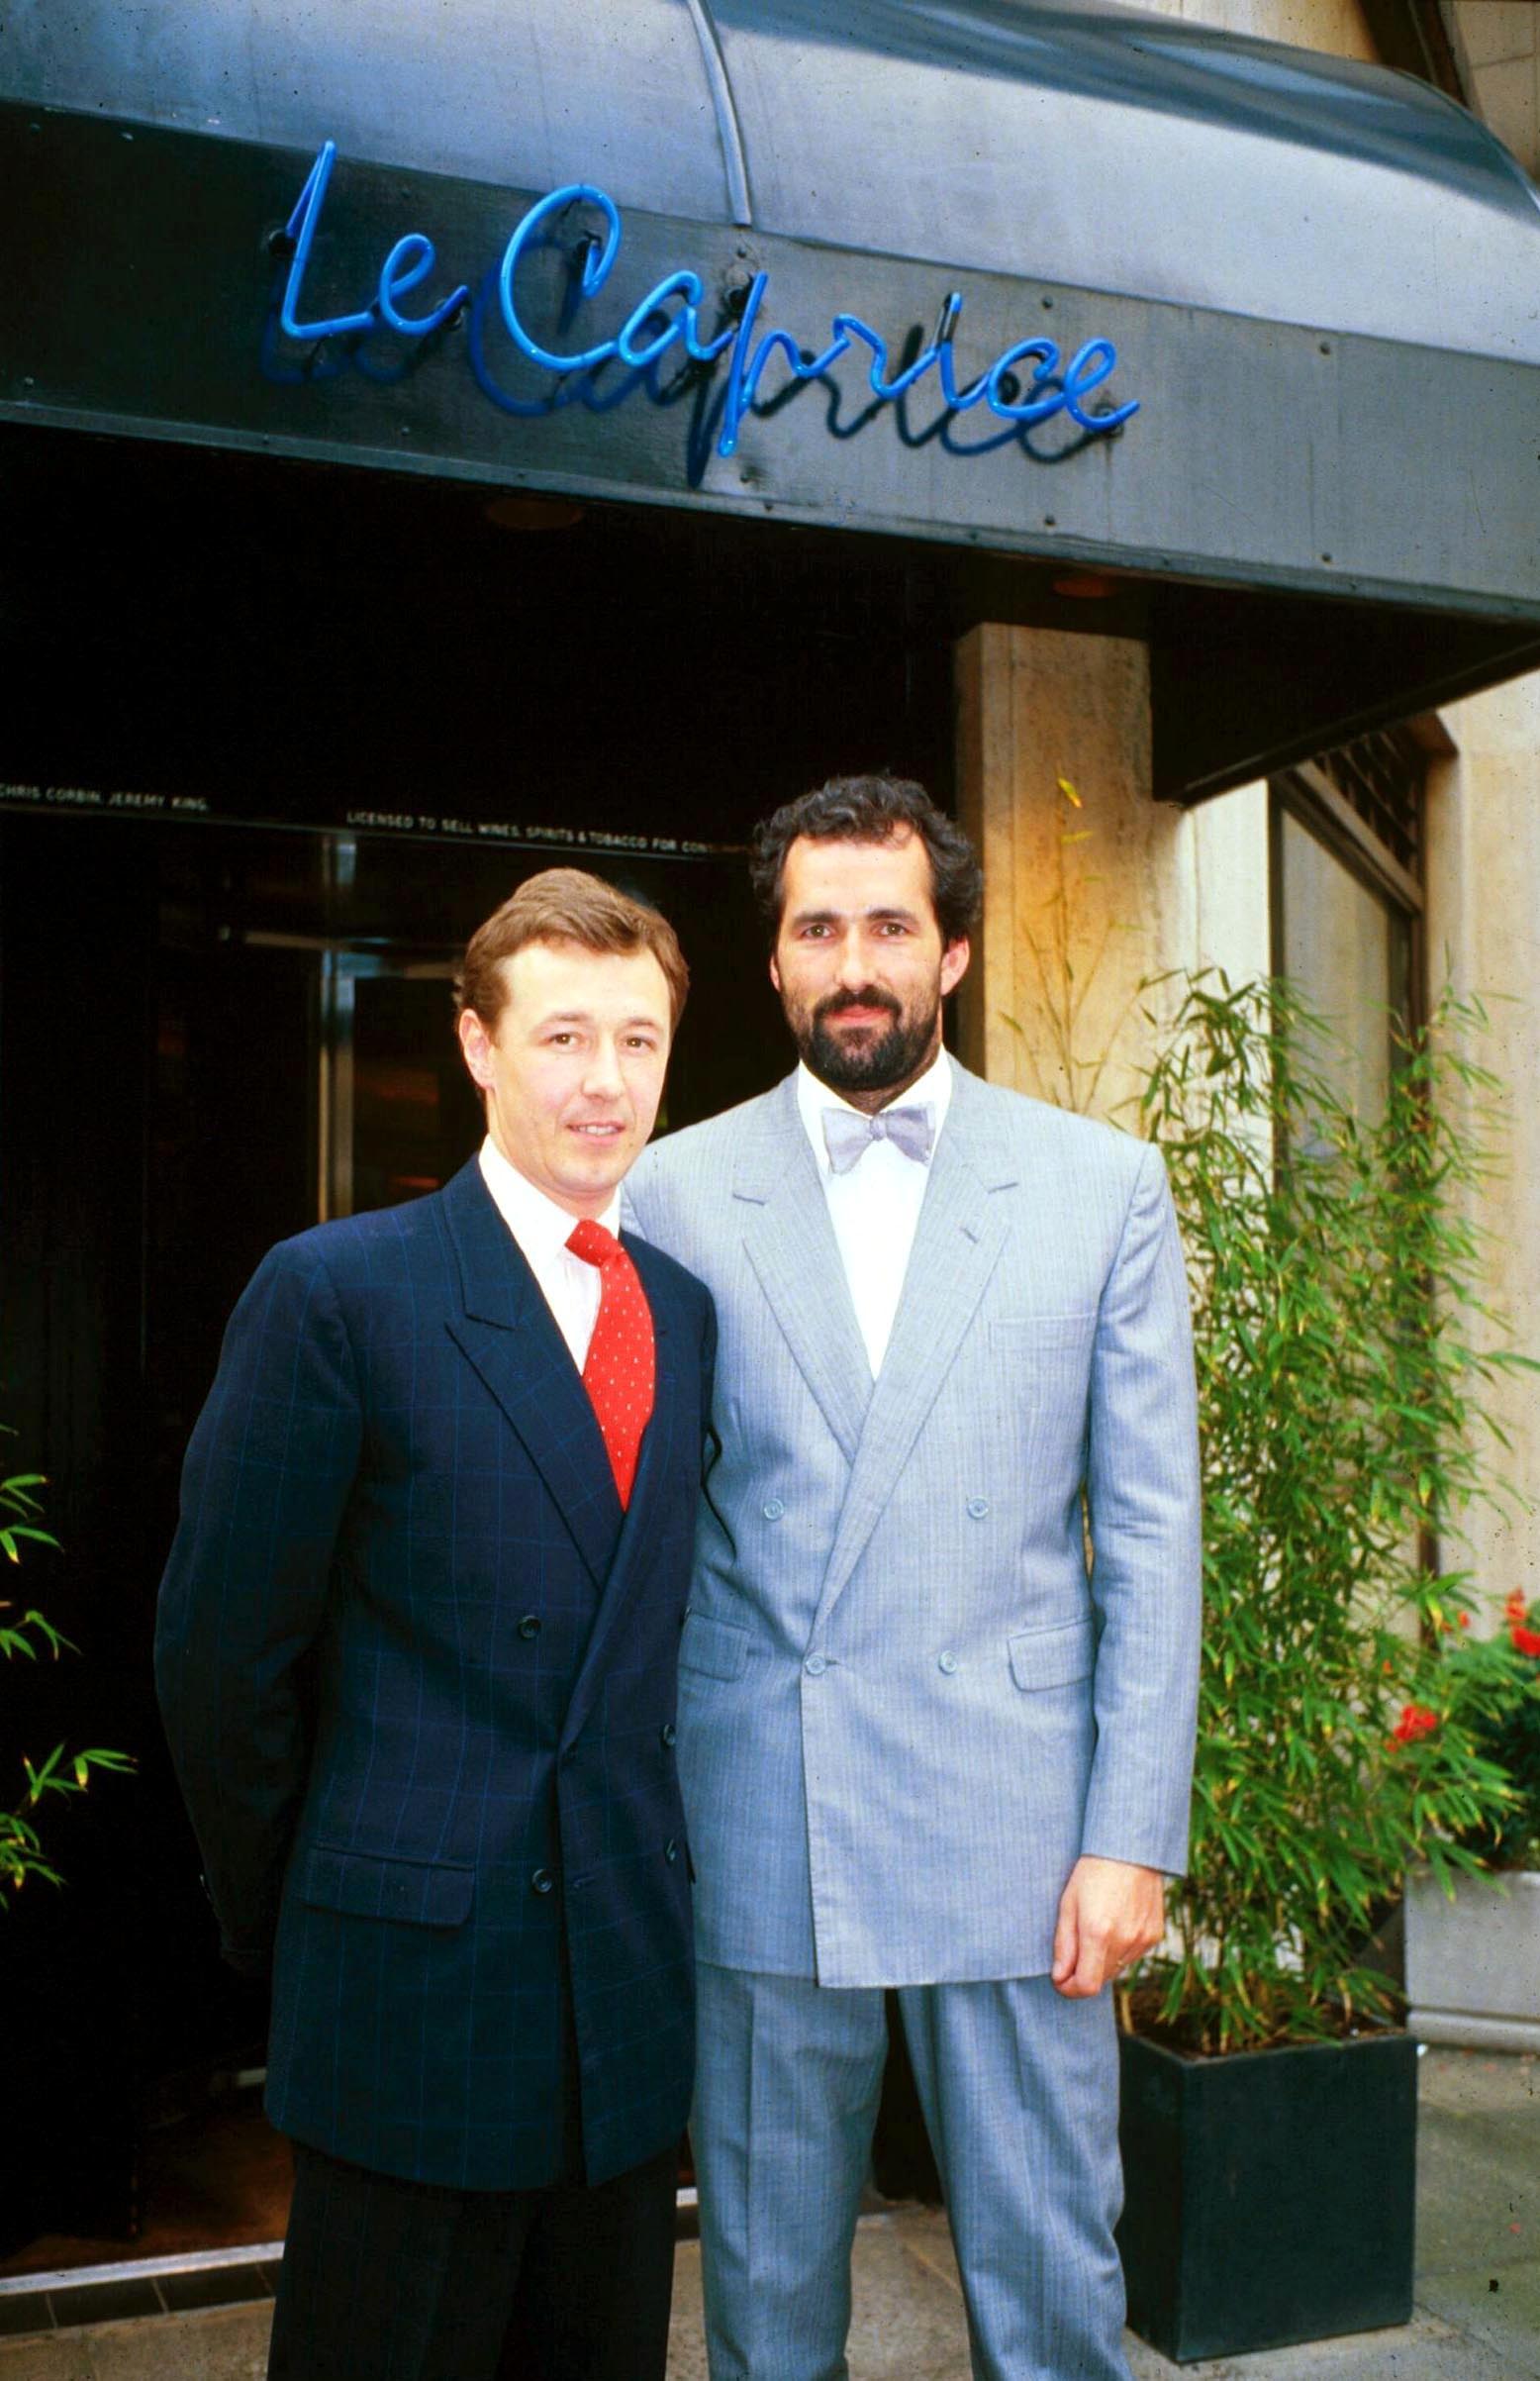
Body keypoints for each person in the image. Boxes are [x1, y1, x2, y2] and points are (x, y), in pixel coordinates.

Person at [625, 776, 1201, 2381]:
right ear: (777, 965)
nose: (854, 959)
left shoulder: (1101, 1188)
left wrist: (1129, 1834)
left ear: (952, 955)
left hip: (1017, 1830)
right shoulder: (673, 1189)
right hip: (756, 1813)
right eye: (820, 928)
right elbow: (640, 1535)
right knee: (764, 2290)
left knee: (1052, 2292)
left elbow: (1153, 1535)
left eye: (890, 924)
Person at [155, 868, 716, 2381]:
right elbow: (221, 1657)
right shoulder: (339, 1293)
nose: (606, 1081)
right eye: (562, 1037)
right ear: (476, 1044)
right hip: (411, 2001)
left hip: (621, 2003)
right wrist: (321, 1906)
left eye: (640, 1042)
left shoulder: (683, 1305)